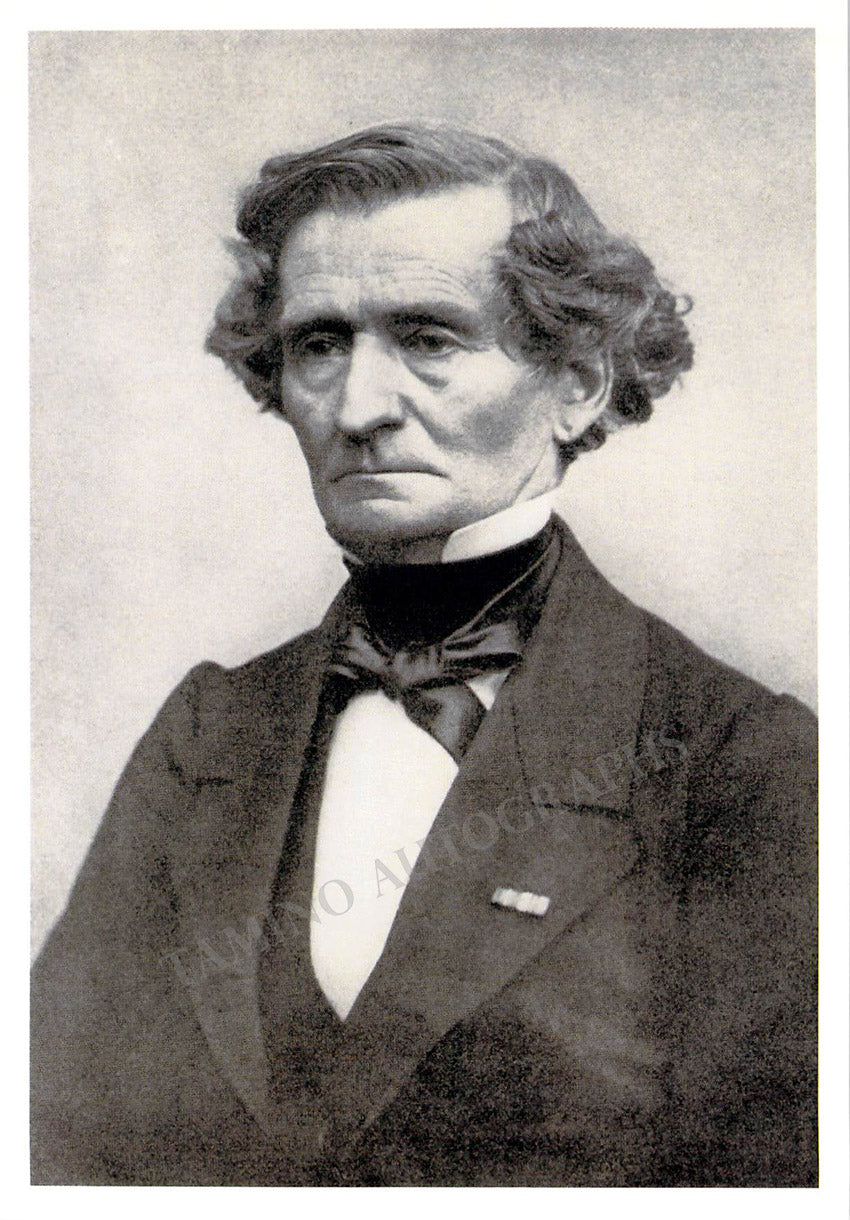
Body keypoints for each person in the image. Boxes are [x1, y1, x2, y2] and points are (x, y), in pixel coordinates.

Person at [31, 123, 817, 1187]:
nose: (359, 409)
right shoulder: (209, 736)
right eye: (320, 345)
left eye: (429, 339)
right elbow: (57, 1136)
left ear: (577, 383)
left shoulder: (739, 762)